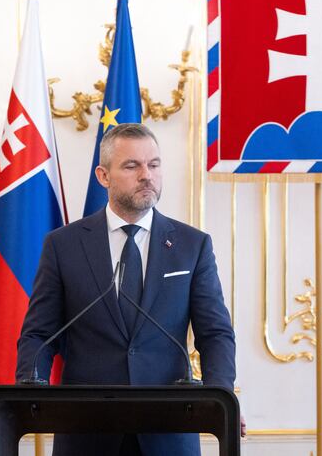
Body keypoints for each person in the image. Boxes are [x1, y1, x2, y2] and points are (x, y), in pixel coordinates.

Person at [16, 123, 237, 456]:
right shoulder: (63, 246)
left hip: (169, 430)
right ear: (103, 176)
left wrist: (220, 399)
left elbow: (216, 333)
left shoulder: (193, 245)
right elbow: (39, 333)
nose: (146, 175)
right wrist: (28, 394)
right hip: (86, 432)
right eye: (132, 166)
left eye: (154, 164)